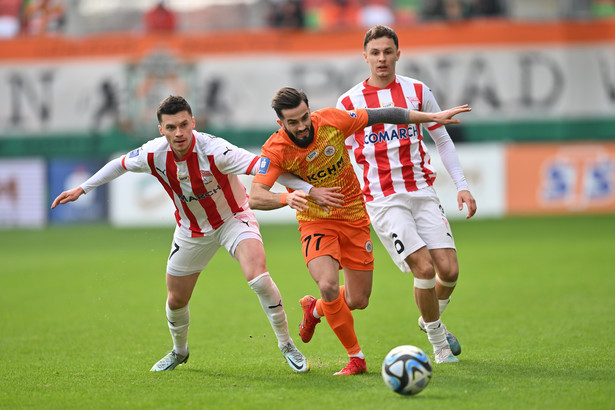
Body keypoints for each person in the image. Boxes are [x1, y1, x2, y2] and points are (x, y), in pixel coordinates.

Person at [51, 95, 316, 373]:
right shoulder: (153, 154)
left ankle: (286, 344)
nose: (179, 133)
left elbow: (265, 167)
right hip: (191, 230)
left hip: (233, 219)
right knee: (176, 299)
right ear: (161, 130)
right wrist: (83, 188)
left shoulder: (216, 151)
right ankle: (179, 351)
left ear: (193, 123)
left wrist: (308, 190)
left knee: (258, 277)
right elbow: (120, 164)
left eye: (184, 124)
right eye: (171, 127)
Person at [249, 87, 470, 373]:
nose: (302, 126)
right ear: (281, 123)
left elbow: (386, 114)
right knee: (328, 284)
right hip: (316, 221)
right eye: (293, 122)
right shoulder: (276, 149)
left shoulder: (330, 120)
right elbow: (255, 195)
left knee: (358, 299)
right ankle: (356, 358)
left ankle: (314, 309)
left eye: (304, 117)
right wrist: (287, 197)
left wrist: (430, 117)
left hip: (354, 217)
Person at [336, 25, 477, 363]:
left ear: (398, 53)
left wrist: (462, 185)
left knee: (450, 271)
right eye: (375, 53)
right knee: (424, 270)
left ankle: (428, 318)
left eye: (387, 52)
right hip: (383, 200)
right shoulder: (349, 103)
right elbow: (338, 154)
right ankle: (439, 345)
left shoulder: (417, 90)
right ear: (365, 56)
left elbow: (441, 139)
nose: (382, 58)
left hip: (422, 191)